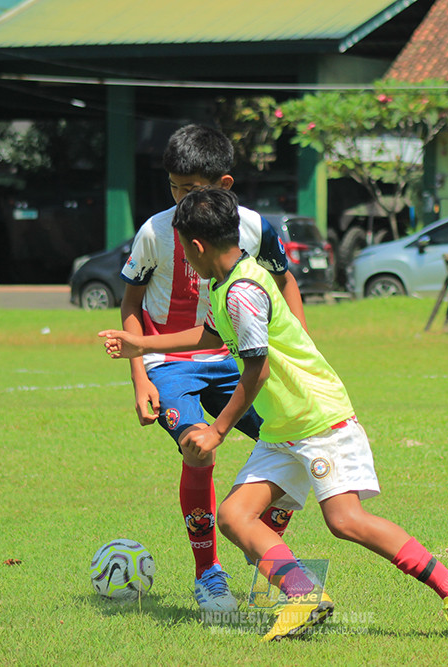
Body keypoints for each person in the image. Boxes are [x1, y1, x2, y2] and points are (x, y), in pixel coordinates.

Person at [99, 188, 448, 642]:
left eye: (183, 248)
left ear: (197, 246)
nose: (184, 257)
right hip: (284, 427)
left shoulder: (242, 291)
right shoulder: (232, 280)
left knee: (345, 521)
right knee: (235, 516)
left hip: (318, 419)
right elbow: (208, 333)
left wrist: (219, 431)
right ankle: (303, 594)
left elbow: (256, 372)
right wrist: (141, 345)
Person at [118, 125, 304, 613]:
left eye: (192, 189)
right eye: (174, 188)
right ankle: (209, 578)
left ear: (223, 185)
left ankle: (262, 537)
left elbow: (286, 286)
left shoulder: (254, 227)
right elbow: (131, 305)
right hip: (170, 363)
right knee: (198, 448)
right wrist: (140, 377)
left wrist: (296, 353)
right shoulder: (156, 232)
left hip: (232, 359)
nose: (180, 199)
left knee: (295, 440)